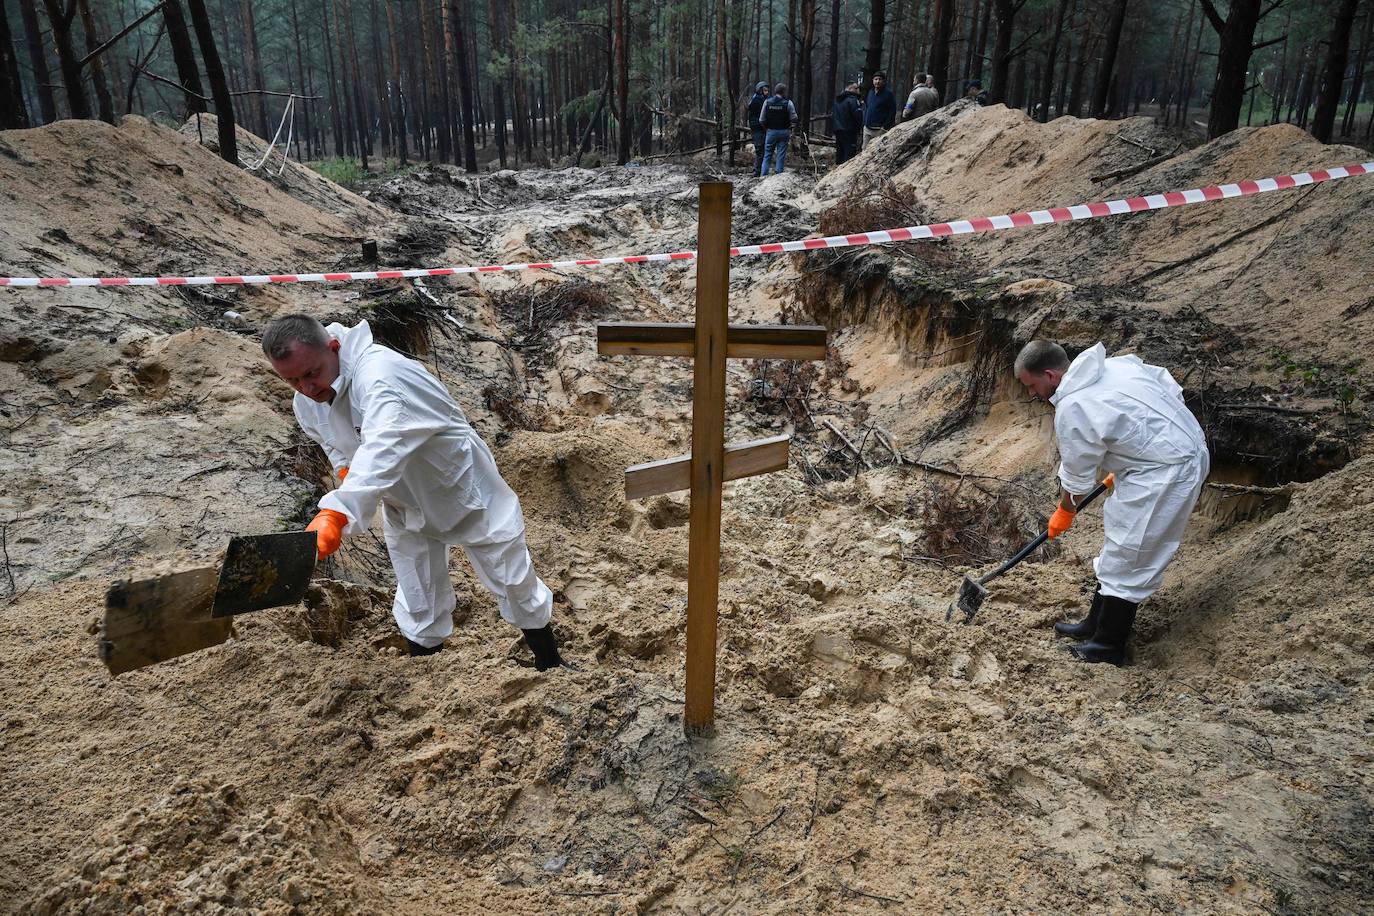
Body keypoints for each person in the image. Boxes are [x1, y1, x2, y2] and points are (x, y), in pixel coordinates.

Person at [262, 314, 567, 668]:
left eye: (311, 373)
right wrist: (346, 470)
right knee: (417, 592)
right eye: (292, 380)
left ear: (334, 348)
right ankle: (427, 678)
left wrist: (337, 512)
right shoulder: (307, 402)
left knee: (511, 575)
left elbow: (383, 445)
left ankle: (550, 661)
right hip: (401, 500)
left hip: (456, 483)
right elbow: (335, 443)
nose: (306, 388)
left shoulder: (382, 377)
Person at [1015, 341, 1210, 666]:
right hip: (1162, 458)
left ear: (1050, 375)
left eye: (1032, 386)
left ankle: (1108, 646)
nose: (1033, 394)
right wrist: (1139, 450)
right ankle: (1094, 624)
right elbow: (1168, 389)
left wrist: (1065, 510)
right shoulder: (1117, 365)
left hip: (1167, 471)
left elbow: (1077, 476)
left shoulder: (1073, 406)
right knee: (1117, 546)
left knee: (1130, 553)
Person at [758, 83, 798, 176]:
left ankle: (763, 176)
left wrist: (766, 128)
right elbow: (794, 118)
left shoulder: (767, 102)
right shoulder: (788, 103)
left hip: (771, 131)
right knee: (781, 154)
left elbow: (761, 119)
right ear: (783, 92)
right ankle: (778, 175)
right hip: (784, 131)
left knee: (767, 154)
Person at [832, 82, 864, 165]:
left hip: (838, 130)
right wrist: (858, 128)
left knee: (840, 152)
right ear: (850, 89)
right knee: (849, 155)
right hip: (849, 131)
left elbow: (833, 115)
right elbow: (858, 116)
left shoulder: (838, 100)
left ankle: (837, 172)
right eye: (856, 88)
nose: (858, 90)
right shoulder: (853, 100)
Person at [863, 71, 897, 146]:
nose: (877, 81)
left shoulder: (888, 94)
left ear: (884, 81)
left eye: (880, 79)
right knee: (864, 151)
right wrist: (864, 122)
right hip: (867, 128)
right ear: (873, 81)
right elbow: (867, 107)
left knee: (877, 151)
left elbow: (892, 111)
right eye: (875, 79)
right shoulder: (870, 92)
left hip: (879, 130)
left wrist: (885, 126)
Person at [747, 82, 770, 177]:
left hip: (760, 128)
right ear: (760, 90)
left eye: (767, 90)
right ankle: (757, 171)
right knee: (760, 150)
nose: (767, 92)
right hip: (758, 129)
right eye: (765, 90)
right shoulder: (758, 100)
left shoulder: (760, 99)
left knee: (762, 150)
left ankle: (759, 170)